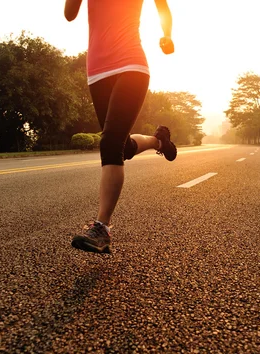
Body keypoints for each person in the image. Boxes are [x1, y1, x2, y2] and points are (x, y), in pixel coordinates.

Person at [66, 0, 177, 254]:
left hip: (131, 64)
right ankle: (159, 140)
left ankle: (102, 229)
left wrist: (167, 35)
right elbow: (69, 14)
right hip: (96, 71)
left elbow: (162, 7)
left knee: (110, 142)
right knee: (122, 146)